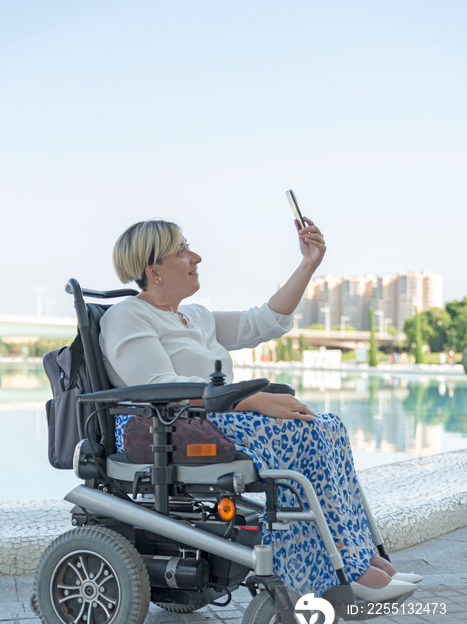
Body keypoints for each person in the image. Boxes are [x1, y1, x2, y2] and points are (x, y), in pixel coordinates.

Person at [99, 217, 420, 602]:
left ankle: (353, 553)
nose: (196, 257)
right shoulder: (127, 316)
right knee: (308, 434)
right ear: (154, 270)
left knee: (328, 426)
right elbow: (157, 389)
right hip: (165, 430)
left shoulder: (195, 316)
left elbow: (262, 322)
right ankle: (338, 569)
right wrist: (252, 400)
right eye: (183, 251)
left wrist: (309, 264)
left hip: (213, 422)